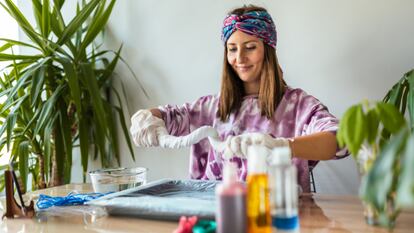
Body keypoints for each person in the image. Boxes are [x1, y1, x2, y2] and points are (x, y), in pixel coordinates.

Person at [130, 5, 348, 192]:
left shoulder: (298, 106)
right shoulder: (210, 108)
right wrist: (147, 117)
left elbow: (341, 141)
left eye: (250, 47)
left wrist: (281, 145)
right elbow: (167, 116)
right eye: (232, 49)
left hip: (278, 219)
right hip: (214, 219)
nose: (240, 58)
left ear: (268, 50)